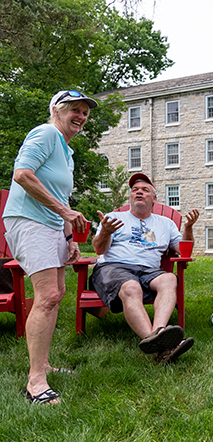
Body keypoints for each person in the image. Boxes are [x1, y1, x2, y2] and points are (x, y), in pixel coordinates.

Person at [2, 90, 95, 404]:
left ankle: (43, 364)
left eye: (85, 112)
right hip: (28, 220)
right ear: (57, 109)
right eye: (75, 110)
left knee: (58, 293)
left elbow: (62, 197)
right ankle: (35, 382)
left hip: (52, 225)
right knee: (48, 295)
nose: (81, 117)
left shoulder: (66, 151)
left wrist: (69, 238)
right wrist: (65, 214)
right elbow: (23, 175)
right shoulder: (45, 133)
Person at [90, 173, 199, 364]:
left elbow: (183, 252)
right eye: (135, 190)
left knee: (169, 279)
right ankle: (162, 344)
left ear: (154, 198)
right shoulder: (113, 218)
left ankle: (156, 335)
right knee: (131, 287)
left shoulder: (166, 223)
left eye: (145, 190)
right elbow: (99, 249)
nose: (139, 192)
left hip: (150, 270)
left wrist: (188, 227)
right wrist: (105, 232)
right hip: (115, 267)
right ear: (130, 197)